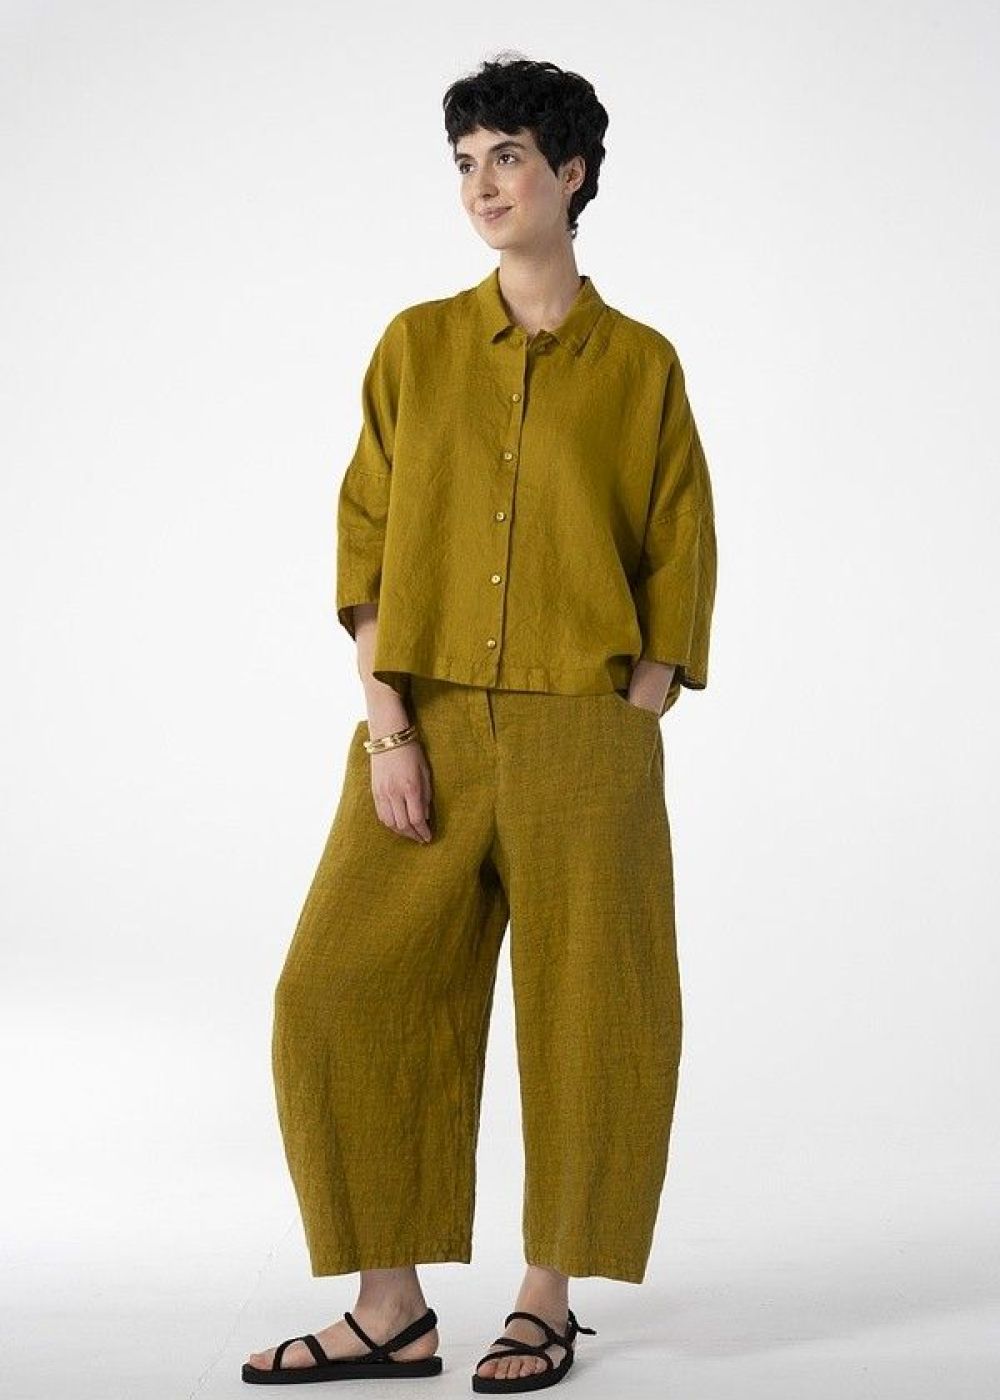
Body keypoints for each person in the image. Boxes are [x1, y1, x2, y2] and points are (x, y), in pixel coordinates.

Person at [243, 53, 717, 1394]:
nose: (481, 185)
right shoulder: (416, 346)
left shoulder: (643, 367)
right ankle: (387, 1311)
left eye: (506, 156)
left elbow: (679, 551)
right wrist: (389, 726)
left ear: (571, 172)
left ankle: (545, 1300)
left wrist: (630, 716)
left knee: (592, 1014)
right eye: (464, 162)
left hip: (585, 733)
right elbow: (366, 537)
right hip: (431, 728)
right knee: (335, 992)